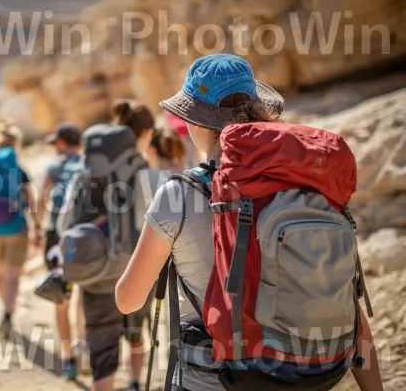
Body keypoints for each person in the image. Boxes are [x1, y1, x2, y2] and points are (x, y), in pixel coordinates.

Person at [116, 54, 384, 391]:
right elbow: (348, 300)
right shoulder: (300, 185)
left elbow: (128, 300)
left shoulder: (177, 194)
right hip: (307, 373)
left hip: (215, 379)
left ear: (197, 123)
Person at [58, 99, 156, 391]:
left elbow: (64, 224)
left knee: (101, 346)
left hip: (95, 274)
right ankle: (136, 382)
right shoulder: (147, 176)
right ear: (146, 134)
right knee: (136, 332)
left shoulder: (83, 175)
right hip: (136, 272)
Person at [0, 119, 42, 337]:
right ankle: (8, 314)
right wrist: (37, 226)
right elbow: (31, 197)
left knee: (0, 273)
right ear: (16, 145)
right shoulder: (18, 170)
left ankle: (5, 310)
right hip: (14, 226)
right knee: (13, 275)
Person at [38, 123, 86, 380]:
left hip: (56, 237)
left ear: (61, 143)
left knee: (61, 297)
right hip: (85, 237)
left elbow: (42, 201)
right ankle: (84, 346)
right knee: (82, 294)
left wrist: (37, 228)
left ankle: (68, 359)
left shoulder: (54, 168)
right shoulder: (88, 165)